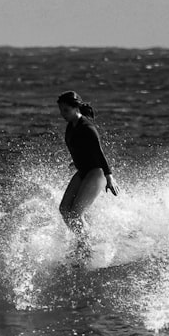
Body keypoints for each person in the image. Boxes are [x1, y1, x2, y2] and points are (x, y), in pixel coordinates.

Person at [57, 90, 118, 235]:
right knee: (65, 210)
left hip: (96, 172)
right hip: (83, 171)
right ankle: (84, 240)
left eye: (66, 110)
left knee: (75, 214)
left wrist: (109, 177)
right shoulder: (71, 125)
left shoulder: (87, 127)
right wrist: (77, 161)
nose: (62, 114)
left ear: (75, 108)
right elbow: (80, 147)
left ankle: (86, 246)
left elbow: (99, 152)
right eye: (61, 110)